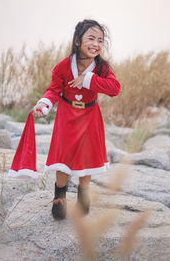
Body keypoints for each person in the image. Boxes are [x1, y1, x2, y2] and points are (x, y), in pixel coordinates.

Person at [33, 19, 121, 220]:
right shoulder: (63, 66)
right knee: (62, 156)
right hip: (67, 115)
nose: (96, 44)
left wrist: (88, 79)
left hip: (90, 117)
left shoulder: (101, 68)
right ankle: (60, 197)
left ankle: (83, 195)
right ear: (77, 41)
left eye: (100, 40)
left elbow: (115, 89)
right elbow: (54, 90)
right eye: (91, 38)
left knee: (86, 156)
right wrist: (44, 104)